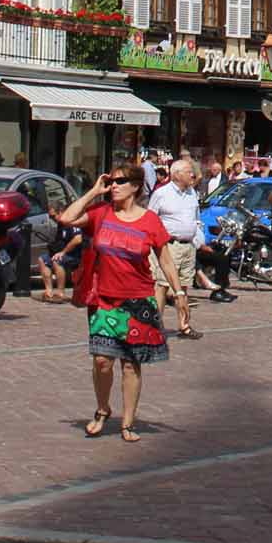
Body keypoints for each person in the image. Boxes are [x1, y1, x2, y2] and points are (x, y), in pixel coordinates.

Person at [57, 166, 175, 440]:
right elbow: (66, 218)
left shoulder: (150, 221)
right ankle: (102, 409)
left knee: (131, 364)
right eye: (111, 181)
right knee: (102, 361)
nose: (114, 186)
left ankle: (128, 423)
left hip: (138, 298)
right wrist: (94, 191)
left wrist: (179, 294)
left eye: (120, 182)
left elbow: (165, 260)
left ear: (135, 186)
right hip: (104, 298)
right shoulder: (101, 213)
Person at [144, 155, 204, 338]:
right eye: (188, 172)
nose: (192, 175)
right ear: (176, 174)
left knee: (183, 286)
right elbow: (150, 219)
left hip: (188, 246)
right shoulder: (162, 193)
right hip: (168, 246)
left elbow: (196, 217)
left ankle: (184, 325)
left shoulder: (191, 193)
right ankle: (155, 326)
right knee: (161, 285)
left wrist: (197, 237)